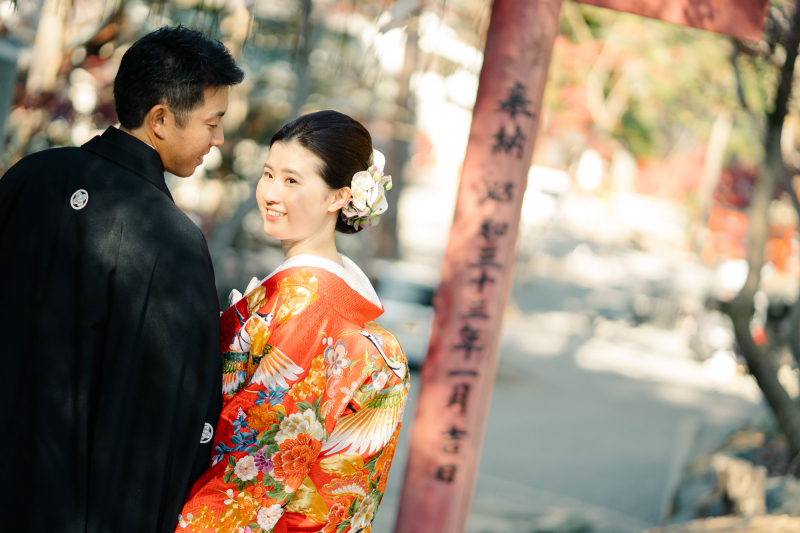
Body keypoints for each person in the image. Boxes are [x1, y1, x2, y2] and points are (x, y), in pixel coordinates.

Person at [0, 26, 244, 532]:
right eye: (212, 122)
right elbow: (173, 414)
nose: (218, 139)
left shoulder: (29, 177)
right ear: (160, 118)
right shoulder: (173, 240)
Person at [176, 110, 409, 533]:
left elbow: (257, 466)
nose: (271, 192)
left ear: (340, 197)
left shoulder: (309, 306)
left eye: (292, 181)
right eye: (269, 174)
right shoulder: (323, 298)